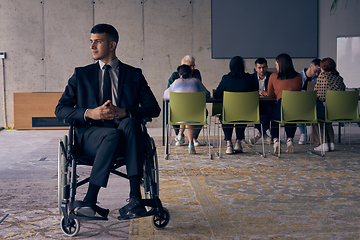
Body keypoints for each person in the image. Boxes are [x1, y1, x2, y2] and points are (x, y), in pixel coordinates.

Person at [55, 24, 161, 219]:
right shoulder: (81, 74)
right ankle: (89, 200)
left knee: (130, 123)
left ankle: (135, 199)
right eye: (91, 42)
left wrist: (125, 112)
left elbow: (154, 108)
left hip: (127, 141)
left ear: (112, 45)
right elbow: (60, 109)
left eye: (98, 41)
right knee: (113, 133)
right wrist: (90, 113)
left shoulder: (134, 74)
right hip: (91, 137)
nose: (92, 46)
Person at [213, 56, 258, 155]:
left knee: (226, 115)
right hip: (246, 113)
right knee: (241, 115)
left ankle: (229, 144)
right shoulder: (249, 78)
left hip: (229, 114)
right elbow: (255, 93)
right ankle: (238, 142)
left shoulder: (226, 78)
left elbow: (216, 95)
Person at [164, 65, 210, 154]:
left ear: (179, 74)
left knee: (184, 113)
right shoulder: (196, 81)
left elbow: (166, 95)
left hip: (178, 115)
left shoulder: (176, 82)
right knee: (189, 116)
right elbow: (207, 95)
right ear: (190, 73)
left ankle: (180, 134)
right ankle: (191, 143)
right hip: (196, 115)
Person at [267, 53, 302, 154]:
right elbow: (297, 91)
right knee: (289, 117)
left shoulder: (273, 77)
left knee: (272, 117)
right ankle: (290, 140)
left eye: (276, 64)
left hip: (281, 105)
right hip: (295, 108)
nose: (276, 66)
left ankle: (276, 140)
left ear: (280, 65)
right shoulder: (299, 76)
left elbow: (270, 94)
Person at [167, 55, 203, 147]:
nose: (192, 68)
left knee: (203, 112)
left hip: (193, 106)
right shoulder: (175, 75)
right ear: (182, 66)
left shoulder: (196, 73)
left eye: (193, 66)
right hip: (181, 106)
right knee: (173, 112)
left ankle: (193, 137)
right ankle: (181, 135)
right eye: (189, 66)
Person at [312, 57, 346, 152]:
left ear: (322, 68)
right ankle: (330, 143)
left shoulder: (322, 77)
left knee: (316, 115)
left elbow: (320, 96)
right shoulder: (339, 78)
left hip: (327, 110)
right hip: (340, 111)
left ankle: (324, 143)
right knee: (325, 114)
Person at [297, 58, 321, 145]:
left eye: (319, 72)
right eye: (315, 71)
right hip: (301, 103)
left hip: (314, 103)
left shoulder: (319, 78)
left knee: (321, 108)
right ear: (310, 66)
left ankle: (319, 136)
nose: (317, 74)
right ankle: (303, 133)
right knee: (299, 109)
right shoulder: (297, 76)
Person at [249, 58, 272, 144]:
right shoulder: (251, 78)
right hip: (255, 103)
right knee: (255, 113)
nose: (262, 70)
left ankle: (259, 134)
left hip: (269, 102)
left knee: (271, 111)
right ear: (255, 68)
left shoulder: (272, 77)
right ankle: (264, 134)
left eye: (264, 67)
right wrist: (258, 92)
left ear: (267, 67)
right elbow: (248, 91)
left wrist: (268, 93)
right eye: (259, 68)